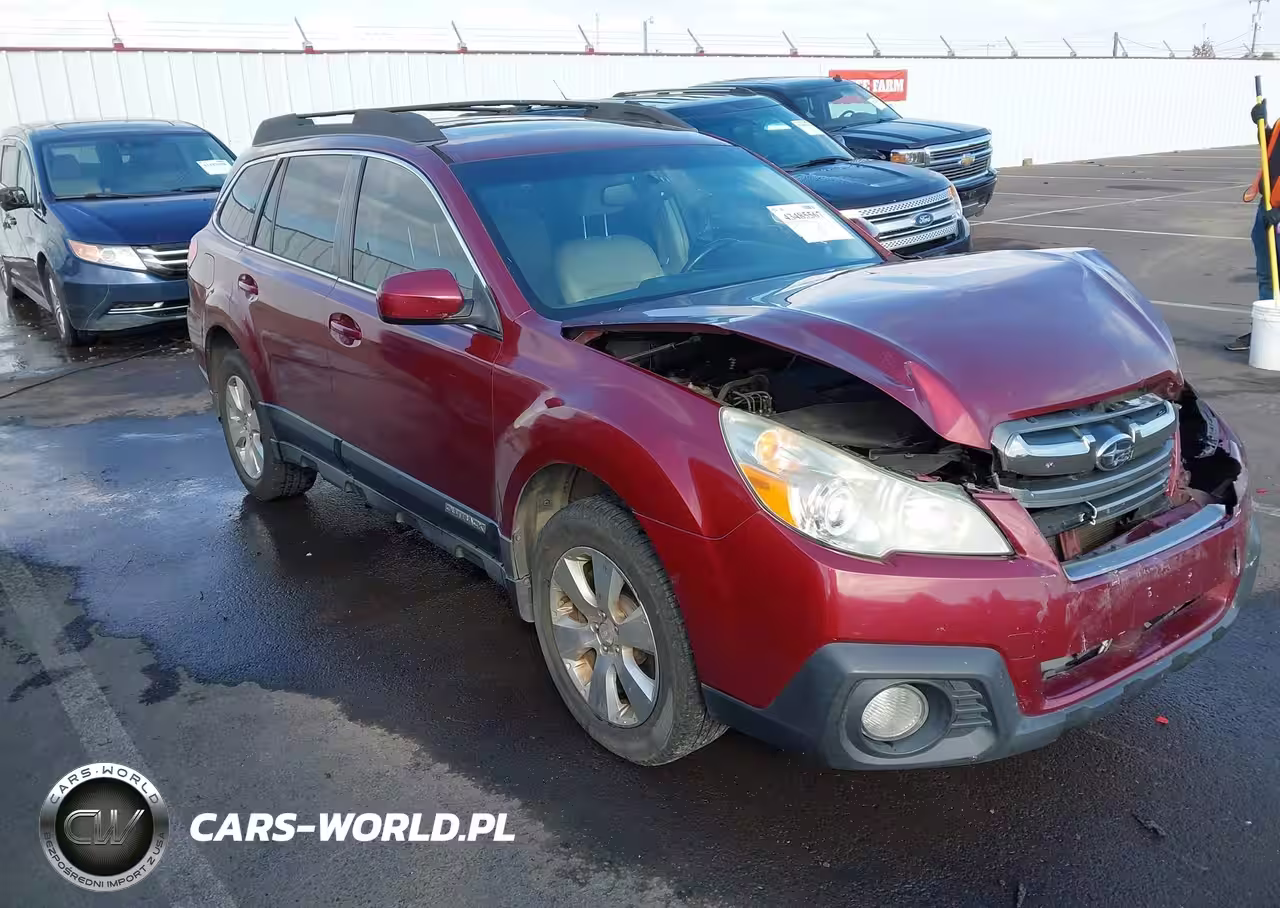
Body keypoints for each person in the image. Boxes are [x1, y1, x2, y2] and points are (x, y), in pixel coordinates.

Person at [1233, 100, 1280, 351]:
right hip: (1267, 209)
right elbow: (1270, 152)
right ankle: (1267, 330)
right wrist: (1262, 127)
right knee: (1267, 275)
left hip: (1278, 211)